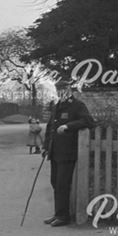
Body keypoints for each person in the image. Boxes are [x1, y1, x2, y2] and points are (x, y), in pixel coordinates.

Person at [40, 80, 94, 226]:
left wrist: (68, 126)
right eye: (58, 89)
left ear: (69, 90)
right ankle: (58, 213)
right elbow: (50, 127)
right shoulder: (57, 106)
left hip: (68, 152)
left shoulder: (77, 105)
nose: (60, 92)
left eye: (63, 89)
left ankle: (63, 217)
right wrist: (45, 147)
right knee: (55, 183)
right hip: (55, 152)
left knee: (63, 184)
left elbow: (89, 121)